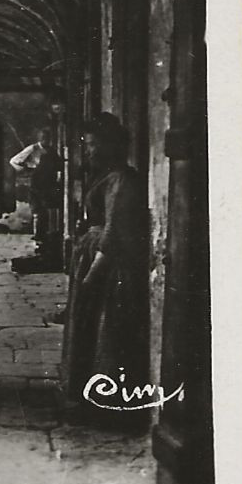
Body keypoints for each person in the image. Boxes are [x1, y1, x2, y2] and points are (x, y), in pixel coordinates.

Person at [60, 112, 148, 424]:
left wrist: (91, 276)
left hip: (109, 271)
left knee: (103, 333)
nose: (90, 150)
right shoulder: (109, 178)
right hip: (94, 260)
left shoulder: (122, 181)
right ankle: (90, 398)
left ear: (112, 145)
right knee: (91, 331)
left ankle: (102, 404)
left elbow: (113, 234)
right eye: (87, 144)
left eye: (94, 144)